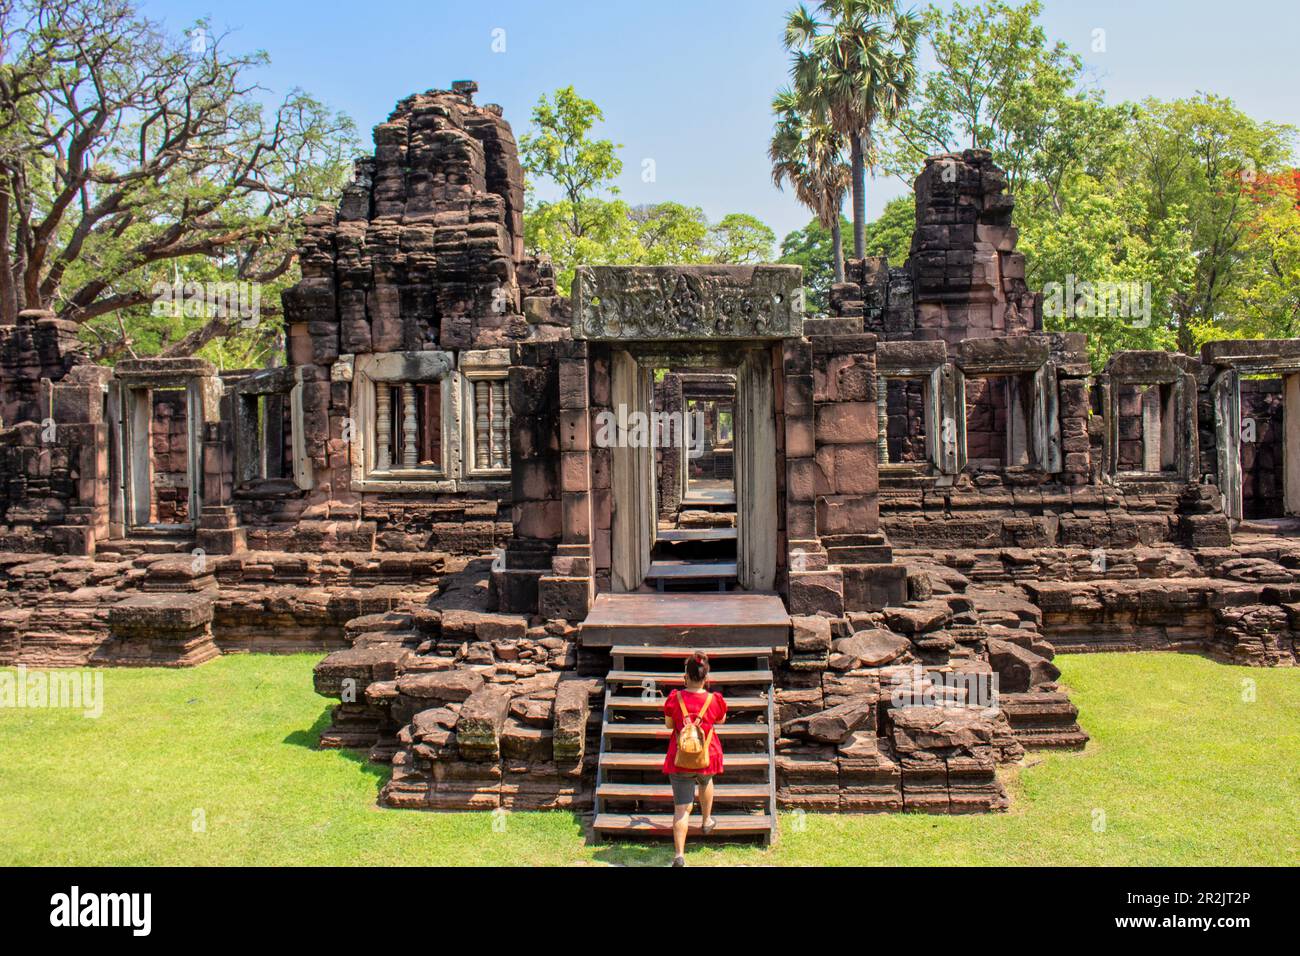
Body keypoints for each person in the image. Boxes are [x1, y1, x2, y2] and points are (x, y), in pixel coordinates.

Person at [662, 650, 727, 866]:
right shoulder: (714, 699)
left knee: (681, 808)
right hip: (706, 754)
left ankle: (679, 855)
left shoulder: (675, 698)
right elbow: (721, 719)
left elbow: (669, 725)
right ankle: (707, 820)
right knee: (706, 780)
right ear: (706, 678)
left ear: (686, 677)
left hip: (680, 757)